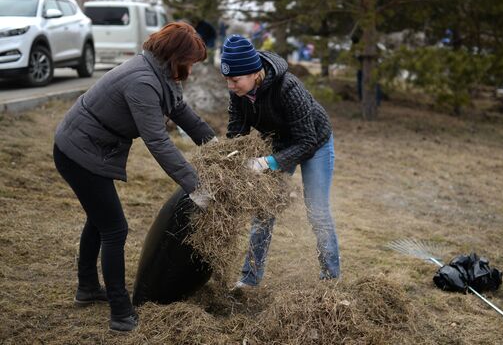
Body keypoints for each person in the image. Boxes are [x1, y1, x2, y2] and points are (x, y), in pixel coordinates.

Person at [53, 22, 216, 332]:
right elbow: (157, 141)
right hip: (78, 152)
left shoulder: (161, 72)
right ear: (174, 55)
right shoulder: (142, 80)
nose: (191, 69)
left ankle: (87, 288)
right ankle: (120, 313)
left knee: (99, 221)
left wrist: (215, 145)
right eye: (190, 62)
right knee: (115, 228)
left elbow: (182, 111)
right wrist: (196, 187)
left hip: (94, 148)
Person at [220, 34, 340, 288]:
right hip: (278, 143)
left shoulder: (288, 87)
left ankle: (331, 279)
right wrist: (230, 159)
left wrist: (266, 163)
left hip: (314, 142)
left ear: (254, 73)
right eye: (227, 80)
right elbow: (236, 131)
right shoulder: (239, 93)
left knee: (316, 210)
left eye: (235, 80)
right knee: (264, 210)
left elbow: (305, 141)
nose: (230, 86)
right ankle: (250, 279)